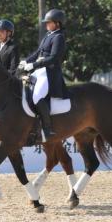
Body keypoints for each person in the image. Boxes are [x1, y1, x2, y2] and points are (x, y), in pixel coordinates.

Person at [19, 9, 69, 140]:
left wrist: (34, 65)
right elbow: (37, 53)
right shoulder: (48, 35)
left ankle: (47, 129)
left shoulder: (59, 37)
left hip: (49, 72)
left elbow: (53, 58)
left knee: (36, 97)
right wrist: (26, 61)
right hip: (39, 71)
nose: (46, 24)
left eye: (49, 22)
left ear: (57, 23)